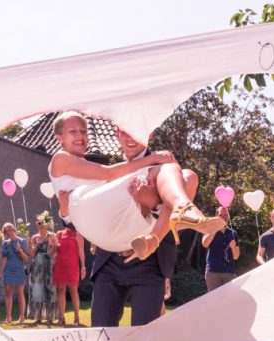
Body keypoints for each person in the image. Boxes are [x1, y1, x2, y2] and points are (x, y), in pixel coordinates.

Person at [78, 127, 190, 341]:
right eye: (123, 131)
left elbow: (172, 215)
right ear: (116, 134)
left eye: (136, 132)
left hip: (147, 266)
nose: (129, 138)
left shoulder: (163, 169)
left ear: (149, 132)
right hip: (110, 264)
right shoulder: (110, 176)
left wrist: (152, 202)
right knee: (101, 339)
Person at [49, 111, 224, 260]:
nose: (80, 136)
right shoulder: (60, 158)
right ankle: (183, 209)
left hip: (115, 236)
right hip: (96, 220)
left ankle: (154, 239)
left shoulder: (83, 167)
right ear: (59, 138)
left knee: (189, 177)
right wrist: (153, 158)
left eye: (83, 131)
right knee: (168, 168)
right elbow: (109, 173)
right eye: (73, 131)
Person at [27, 214, 58, 325]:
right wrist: (30, 247)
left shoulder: (52, 236)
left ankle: (49, 318)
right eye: (38, 224)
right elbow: (32, 254)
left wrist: (53, 246)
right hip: (37, 266)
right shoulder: (34, 237)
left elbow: (54, 252)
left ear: (46, 224)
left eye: (42, 224)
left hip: (48, 264)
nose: (40, 226)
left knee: (49, 290)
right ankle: (38, 317)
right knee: (37, 290)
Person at [53, 224, 86, 326]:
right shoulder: (58, 234)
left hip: (72, 266)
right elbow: (54, 252)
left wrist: (83, 266)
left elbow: (81, 251)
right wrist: (53, 245)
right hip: (60, 264)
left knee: (73, 290)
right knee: (60, 290)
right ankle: (61, 317)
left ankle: (76, 317)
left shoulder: (78, 235)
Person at [202, 206, 240, 291]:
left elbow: (236, 256)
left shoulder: (233, 233)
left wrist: (233, 247)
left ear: (228, 216)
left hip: (229, 272)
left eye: (225, 215)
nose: (223, 216)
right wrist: (215, 229)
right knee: (214, 300)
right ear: (216, 216)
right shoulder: (210, 229)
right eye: (221, 215)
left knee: (229, 300)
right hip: (213, 272)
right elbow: (205, 244)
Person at [0, 222, 29, 324]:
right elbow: (4, 258)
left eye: (10, 229)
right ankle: (8, 317)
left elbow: (26, 258)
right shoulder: (5, 243)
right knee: (8, 293)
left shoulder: (22, 241)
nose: (9, 232)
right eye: (6, 231)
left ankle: (22, 317)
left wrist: (20, 250)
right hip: (8, 270)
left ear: (14, 229)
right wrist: (2, 272)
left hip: (19, 269)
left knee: (20, 293)